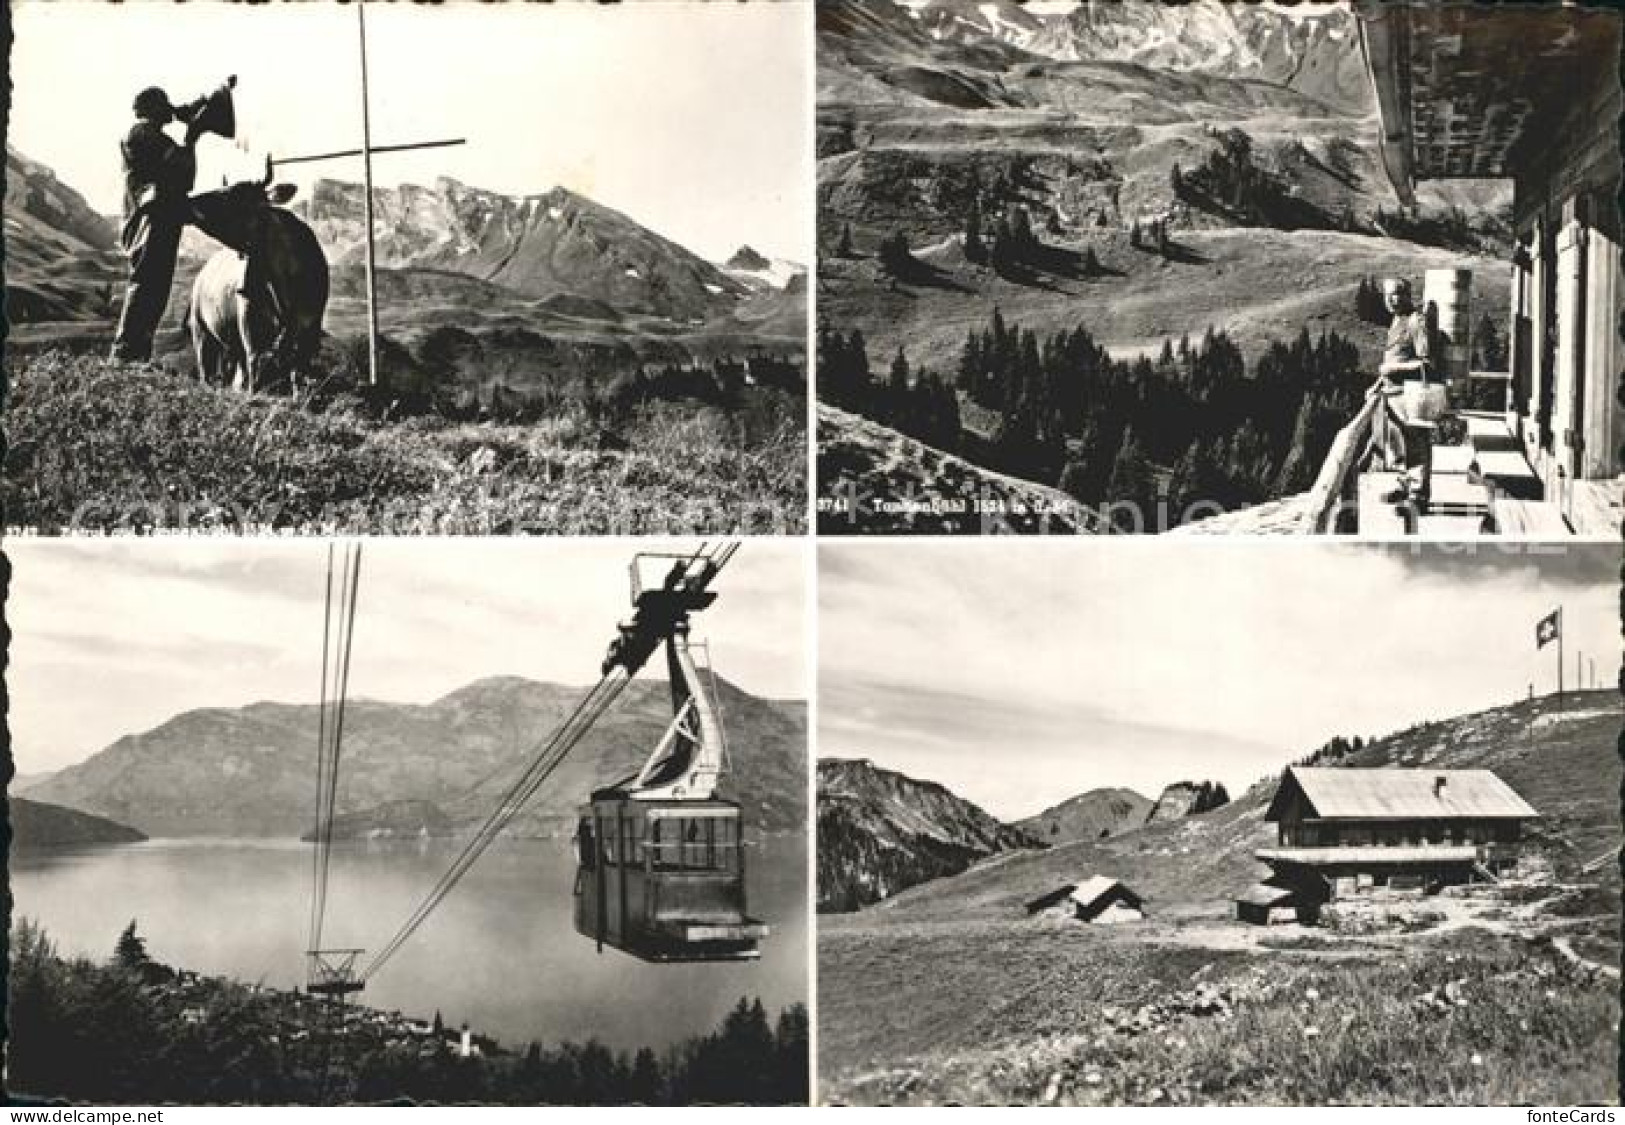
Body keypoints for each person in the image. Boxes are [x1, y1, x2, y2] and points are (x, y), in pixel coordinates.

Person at [110, 87, 205, 362]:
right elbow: (181, 169)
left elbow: (183, 178)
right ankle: (125, 355)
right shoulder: (143, 133)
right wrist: (192, 133)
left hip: (158, 218)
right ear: (151, 108)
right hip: (150, 219)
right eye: (164, 105)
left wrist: (191, 134)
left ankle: (137, 356)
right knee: (147, 286)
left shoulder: (149, 136)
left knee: (154, 290)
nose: (169, 109)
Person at [1365, 277, 1438, 504]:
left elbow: (1427, 363)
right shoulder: (1397, 321)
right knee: (1400, 445)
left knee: (1416, 441)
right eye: (1387, 295)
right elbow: (1393, 357)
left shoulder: (1416, 321)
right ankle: (1406, 485)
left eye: (1395, 293)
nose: (1390, 299)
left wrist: (1391, 368)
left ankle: (1418, 494)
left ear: (1407, 295)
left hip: (1410, 394)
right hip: (1392, 392)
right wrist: (1377, 384)